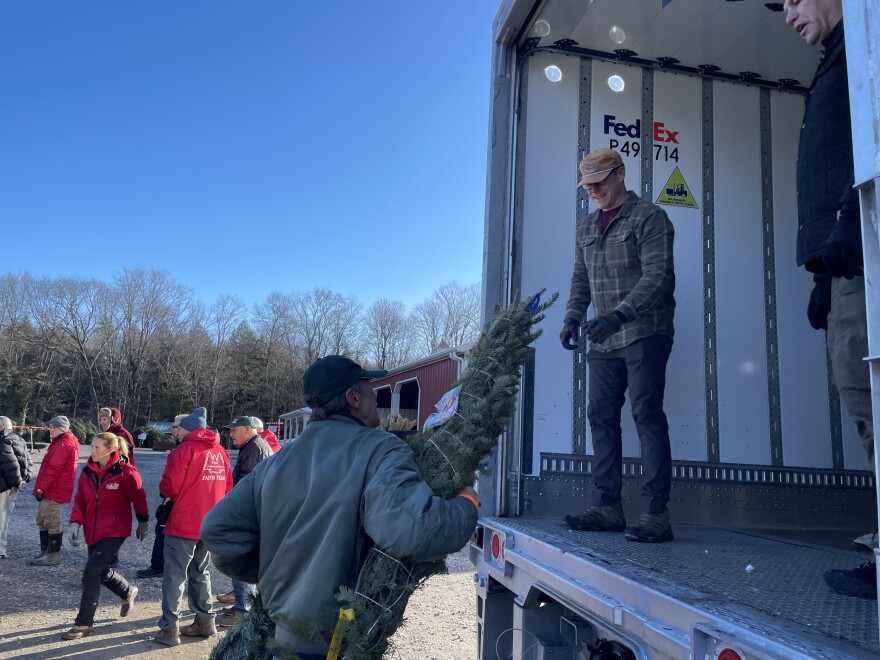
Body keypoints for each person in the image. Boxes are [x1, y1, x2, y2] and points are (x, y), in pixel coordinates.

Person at [201, 355, 479, 659]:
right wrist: (467, 503)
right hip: (336, 645)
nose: (376, 398)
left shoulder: (277, 462)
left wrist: (273, 571)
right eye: (371, 390)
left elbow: (218, 530)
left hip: (280, 640)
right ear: (353, 397)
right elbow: (416, 530)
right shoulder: (378, 449)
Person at [782, 0, 877, 599]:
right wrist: (822, 269)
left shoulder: (866, 46)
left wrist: (850, 217)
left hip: (866, 246)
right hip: (845, 262)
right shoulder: (836, 58)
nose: (787, 15)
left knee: (873, 401)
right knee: (863, 402)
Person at [560, 148, 677, 543]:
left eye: (599, 183)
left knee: (646, 414)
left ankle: (656, 513)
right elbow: (581, 279)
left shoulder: (650, 217)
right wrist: (572, 319)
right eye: (588, 186)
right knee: (600, 416)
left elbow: (658, 276)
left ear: (620, 175)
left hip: (645, 330)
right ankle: (608, 506)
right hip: (604, 337)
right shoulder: (586, 227)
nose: (593, 191)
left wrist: (619, 315)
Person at [153, 406, 232, 647]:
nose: (176, 433)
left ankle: (169, 628)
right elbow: (228, 488)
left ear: (188, 429)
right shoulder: (220, 451)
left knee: (174, 576)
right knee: (201, 572)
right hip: (209, 524)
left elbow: (169, 487)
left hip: (184, 523)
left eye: (180, 429)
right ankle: (205, 621)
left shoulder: (184, 450)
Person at [60, 432, 149, 639]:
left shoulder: (126, 472)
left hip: (115, 530)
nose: (91, 451)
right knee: (101, 571)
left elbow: (139, 497)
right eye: (91, 446)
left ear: (111, 450)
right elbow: (80, 500)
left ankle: (84, 624)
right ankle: (127, 592)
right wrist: (74, 523)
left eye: (96, 447)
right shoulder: (87, 472)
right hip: (93, 530)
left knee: (91, 571)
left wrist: (143, 521)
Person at [214, 416, 272, 627]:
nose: (230, 434)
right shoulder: (255, 445)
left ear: (248, 429)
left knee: (241, 556)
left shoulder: (253, 448)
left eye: (234, 430)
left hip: (250, 514)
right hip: (255, 512)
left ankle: (243, 611)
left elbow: (245, 484)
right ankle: (243, 603)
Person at [136, 414, 186, 579]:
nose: (172, 429)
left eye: (175, 426)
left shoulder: (184, 449)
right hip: (176, 499)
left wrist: (166, 493)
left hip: (176, 500)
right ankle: (161, 565)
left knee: (163, 531)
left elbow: (174, 480)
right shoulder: (180, 446)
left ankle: (160, 566)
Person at [31, 416, 80, 566]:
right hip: (52, 489)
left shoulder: (63, 445)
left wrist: (41, 488)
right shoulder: (62, 442)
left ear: (61, 429)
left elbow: (53, 470)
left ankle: (52, 556)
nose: (50, 430)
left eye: (53, 427)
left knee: (51, 520)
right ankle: (46, 552)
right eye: (50, 427)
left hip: (54, 490)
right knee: (42, 519)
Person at [0, 416, 31, 559]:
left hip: (4, 487)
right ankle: (2, 549)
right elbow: (29, 462)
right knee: (5, 518)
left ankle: (0, 549)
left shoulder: (3, 441)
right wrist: (23, 481)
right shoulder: (20, 439)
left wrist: (17, 481)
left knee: (1, 519)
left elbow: (11, 466)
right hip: (12, 487)